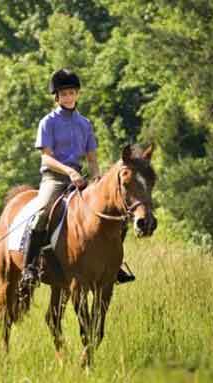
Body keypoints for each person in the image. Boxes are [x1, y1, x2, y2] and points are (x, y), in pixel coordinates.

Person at [18, 68, 134, 290]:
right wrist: (69, 172)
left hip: (81, 179)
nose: (68, 97)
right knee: (42, 212)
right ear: (57, 97)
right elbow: (47, 158)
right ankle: (30, 267)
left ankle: (113, 264)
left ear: (77, 94)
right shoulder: (48, 122)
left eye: (72, 93)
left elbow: (91, 157)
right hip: (55, 178)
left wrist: (97, 177)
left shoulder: (85, 124)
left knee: (116, 214)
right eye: (64, 94)